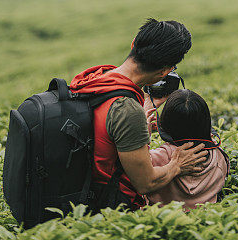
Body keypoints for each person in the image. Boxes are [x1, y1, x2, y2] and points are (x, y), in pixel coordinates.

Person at [70, 18, 209, 210]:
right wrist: (177, 164)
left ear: (134, 42)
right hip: (108, 208)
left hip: (77, 192)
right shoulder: (127, 110)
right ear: (165, 71)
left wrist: (140, 119)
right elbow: (145, 183)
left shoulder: (96, 78)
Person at [146, 89, 229, 210]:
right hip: (207, 216)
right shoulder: (217, 154)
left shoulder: (162, 155)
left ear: (165, 122)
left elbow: (138, 168)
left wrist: (144, 136)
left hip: (163, 218)